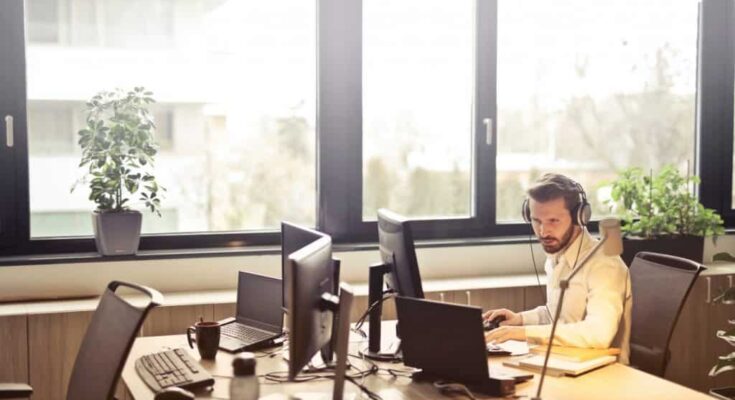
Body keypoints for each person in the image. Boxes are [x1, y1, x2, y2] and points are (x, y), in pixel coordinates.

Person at [484, 173, 632, 364]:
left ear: (580, 217)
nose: (543, 232)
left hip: (604, 374)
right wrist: (520, 319)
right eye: (536, 221)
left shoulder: (605, 264)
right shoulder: (557, 256)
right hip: (564, 361)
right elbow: (558, 315)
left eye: (553, 221)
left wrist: (522, 333)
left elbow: (599, 334)